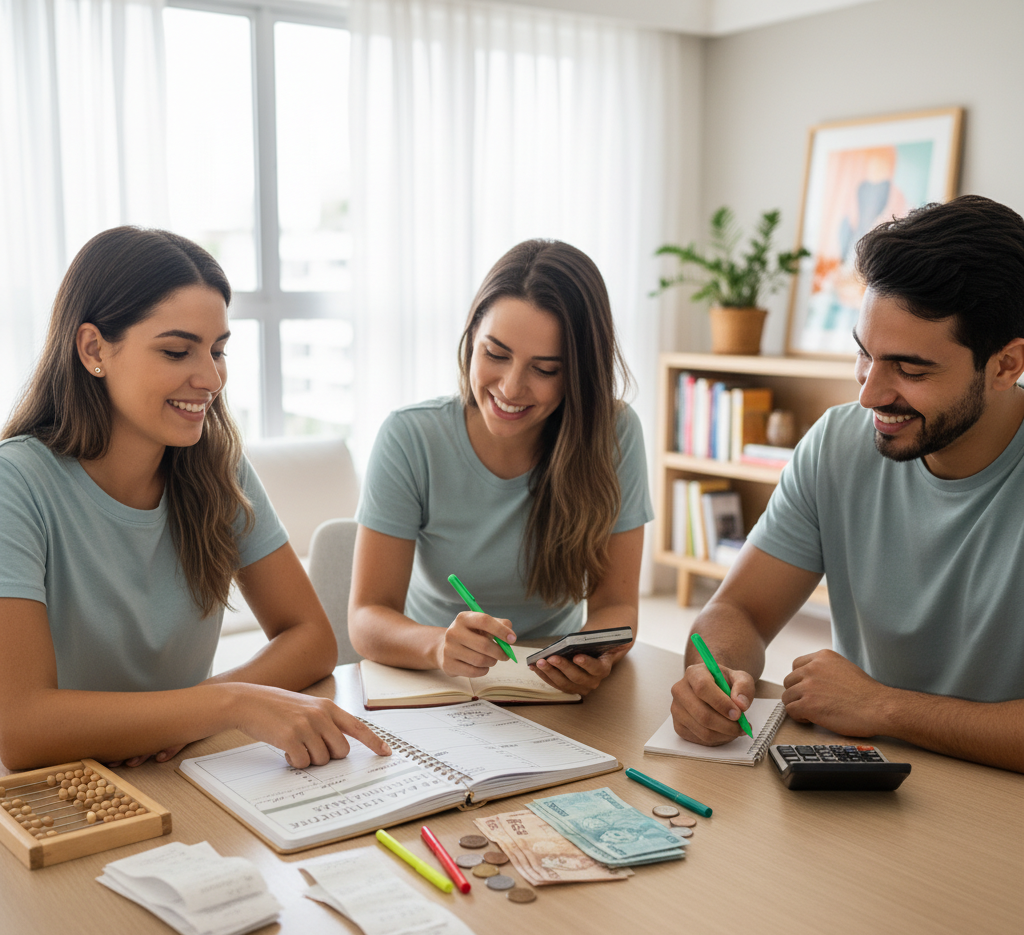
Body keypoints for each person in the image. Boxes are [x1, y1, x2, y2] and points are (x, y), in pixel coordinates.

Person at [0, 227, 389, 771]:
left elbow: (312, 639)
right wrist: (221, 705)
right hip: (63, 797)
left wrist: (203, 712)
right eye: (178, 350)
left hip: (181, 775)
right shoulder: (15, 484)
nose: (210, 378)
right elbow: (22, 728)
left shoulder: (217, 465)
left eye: (218, 350)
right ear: (93, 349)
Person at [670, 195, 1024, 774]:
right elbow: (739, 610)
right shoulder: (838, 443)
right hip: (859, 781)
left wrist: (884, 706)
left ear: (1006, 365)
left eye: (910, 370)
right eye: (865, 355)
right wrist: (715, 675)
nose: (869, 395)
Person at [349, 239, 653, 694]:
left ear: (578, 373)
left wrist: (593, 651)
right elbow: (367, 617)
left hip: (553, 687)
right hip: (438, 682)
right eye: (495, 354)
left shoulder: (614, 434)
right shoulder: (410, 436)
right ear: (472, 337)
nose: (511, 387)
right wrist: (437, 647)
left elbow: (616, 606)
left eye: (545, 369)